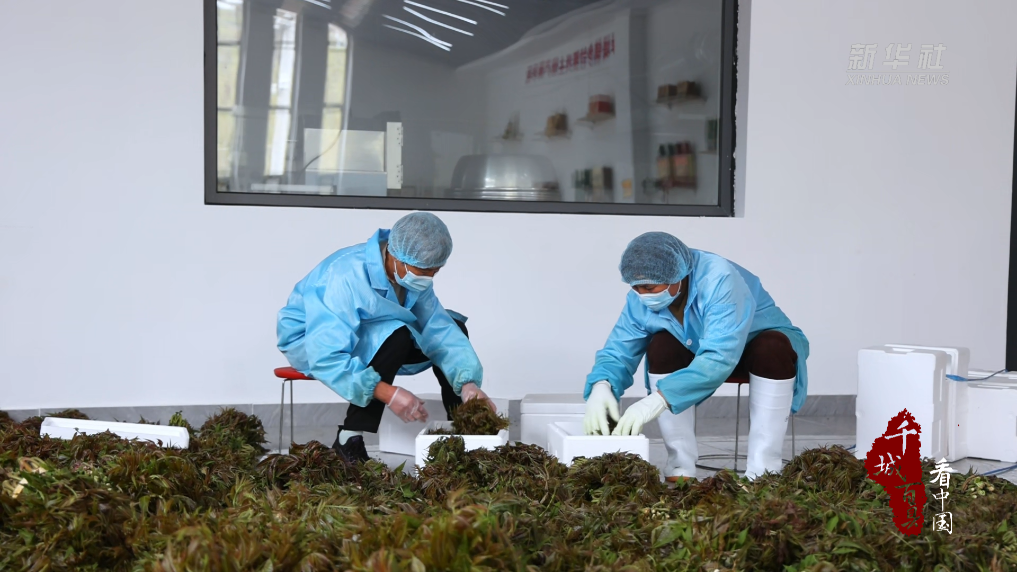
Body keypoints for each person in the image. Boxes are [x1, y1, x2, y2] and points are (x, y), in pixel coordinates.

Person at [582, 232, 809, 481]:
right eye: (635, 287)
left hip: (757, 349)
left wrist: (659, 399)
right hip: (702, 352)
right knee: (662, 345)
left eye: (649, 287)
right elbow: (619, 349)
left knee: (772, 348)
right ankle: (680, 466)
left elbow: (720, 356)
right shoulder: (640, 299)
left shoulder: (719, 279)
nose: (643, 295)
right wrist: (602, 384)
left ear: (676, 276)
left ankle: (764, 469)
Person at [276, 212, 493, 463]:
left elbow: (437, 328)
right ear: (397, 257)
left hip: (373, 338)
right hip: (311, 341)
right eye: (423, 271)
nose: (428, 278)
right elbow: (325, 355)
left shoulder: (412, 276)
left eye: (435, 272)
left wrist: (468, 384)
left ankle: (466, 428)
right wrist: (388, 393)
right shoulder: (345, 276)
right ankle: (349, 438)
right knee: (396, 335)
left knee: (454, 326)